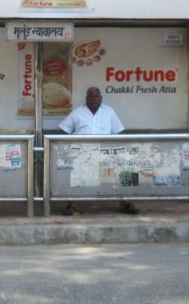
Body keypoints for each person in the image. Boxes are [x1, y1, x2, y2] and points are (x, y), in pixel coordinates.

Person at [58, 86, 137, 216]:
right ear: (86, 98)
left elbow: (120, 131)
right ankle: (72, 204)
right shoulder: (78, 112)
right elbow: (63, 130)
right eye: (91, 96)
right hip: (82, 153)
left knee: (120, 173)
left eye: (96, 97)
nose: (93, 99)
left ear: (101, 98)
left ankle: (125, 203)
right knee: (76, 177)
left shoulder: (109, 111)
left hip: (105, 152)